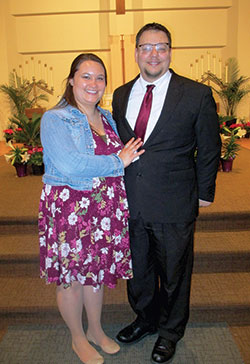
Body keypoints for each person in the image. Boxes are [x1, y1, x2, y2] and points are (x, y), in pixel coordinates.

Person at [112, 23, 221, 363]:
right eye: (146, 47)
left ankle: (170, 331)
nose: (153, 54)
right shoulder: (119, 94)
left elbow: (209, 147)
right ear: (136, 53)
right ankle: (145, 319)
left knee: (174, 272)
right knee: (139, 271)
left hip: (175, 201)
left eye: (161, 47)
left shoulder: (196, 94)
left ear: (170, 51)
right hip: (132, 201)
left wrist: (204, 192)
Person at [38, 53, 144, 364]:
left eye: (99, 78)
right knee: (71, 276)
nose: (93, 83)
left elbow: (126, 157)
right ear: (71, 80)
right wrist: (118, 161)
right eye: (86, 76)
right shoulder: (55, 118)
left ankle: (96, 330)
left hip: (103, 210)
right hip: (71, 208)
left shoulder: (108, 117)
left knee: (95, 275)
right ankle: (77, 337)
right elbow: (70, 164)